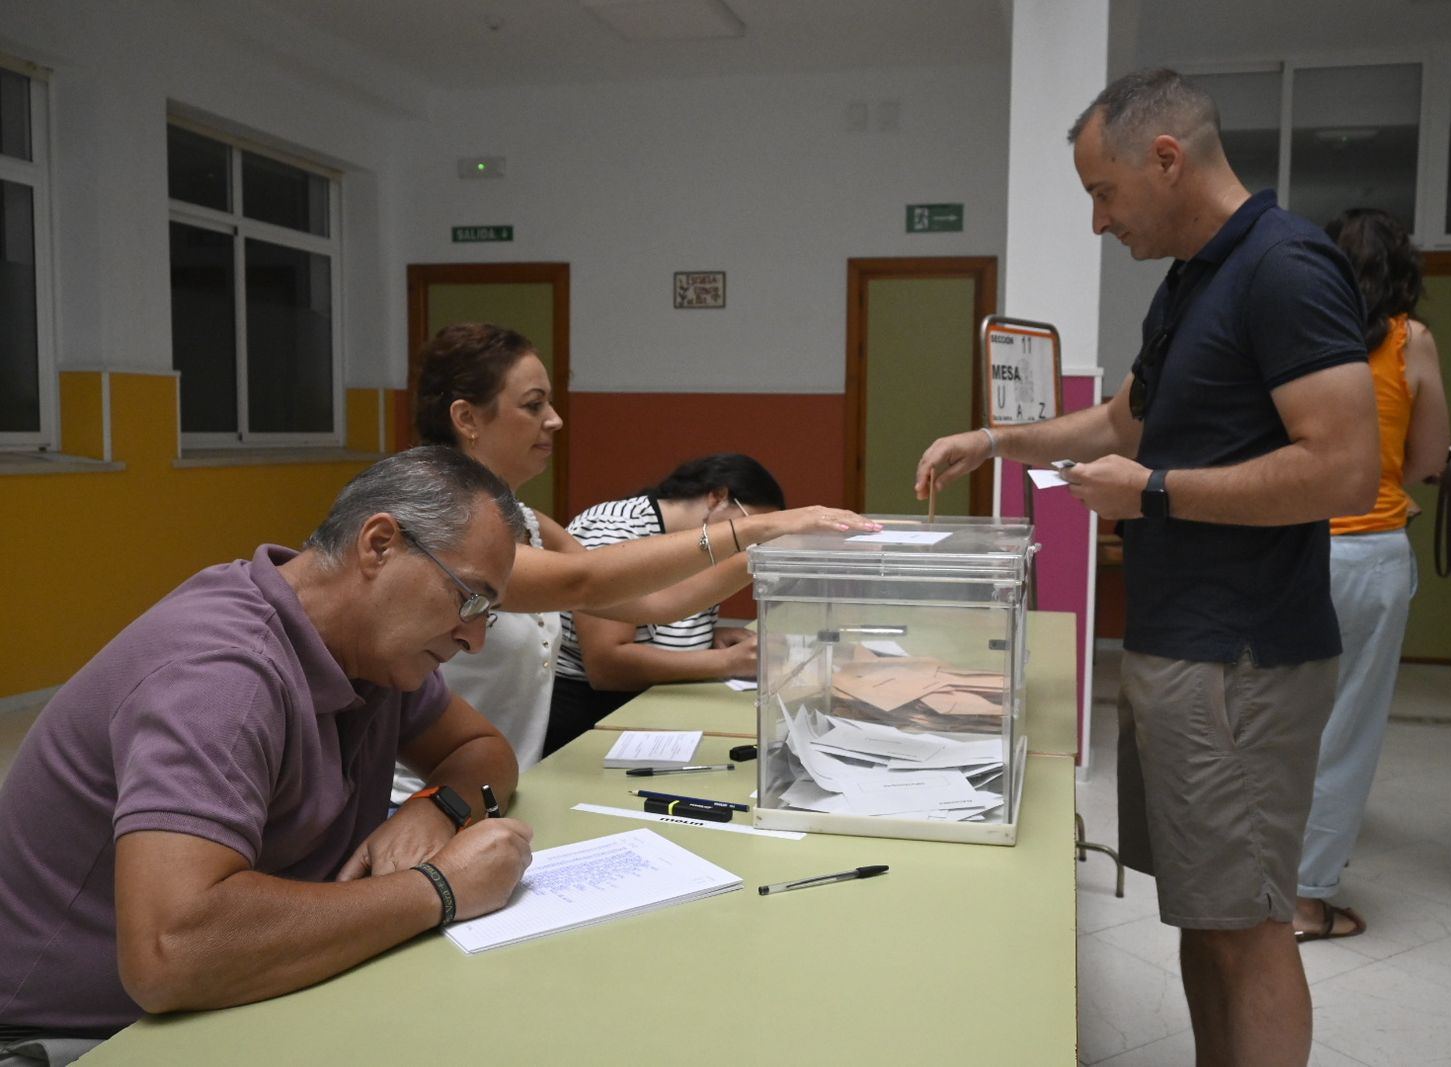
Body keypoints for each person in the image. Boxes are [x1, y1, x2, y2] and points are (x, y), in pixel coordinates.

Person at [915, 68, 1377, 1066]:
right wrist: (998, 439)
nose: (1096, 220)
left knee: (1249, 921)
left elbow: (1342, 468)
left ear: (1166, 158)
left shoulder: (1285, 266)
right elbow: (1124, 418)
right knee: (1202, 912)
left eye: (1102, 191)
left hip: (1241, 655)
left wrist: (1154, 491)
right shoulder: (1192, 279)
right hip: (1181, 643)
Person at [0, 447, 537, 1062]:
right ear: (380, 545)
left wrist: (433, 806)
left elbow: (480, 749)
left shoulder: (369, 649)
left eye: (488, 615)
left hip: (250, 984)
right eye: (469, 599)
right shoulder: (222, 677)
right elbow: (169, 953)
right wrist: (440, 888)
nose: (473, 638)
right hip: (85, 1035)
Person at [396, 322, 874, 800]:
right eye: (533, 404)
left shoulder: (526, 520)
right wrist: (756, 529)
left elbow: (648, 600)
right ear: (467, 419)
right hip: (420, 802)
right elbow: (585, 581)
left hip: (500, 789)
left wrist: (762, 551)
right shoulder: (441, 520)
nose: (556, 420)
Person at [1293, 208, 1451, 941]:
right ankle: (1307, 895)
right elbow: (1428, 461)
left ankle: (1257, 884)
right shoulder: (1411, 341)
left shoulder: (1302, 335)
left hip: (1294, 545)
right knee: (1346, 727)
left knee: (1281, 720)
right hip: (1371, 552)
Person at [546, 453, 785, 757]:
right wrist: (730, 662)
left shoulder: (700, 540)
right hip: (592, 713)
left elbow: (656, 613)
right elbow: (608, 666)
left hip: (661, 698)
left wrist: (705, 637)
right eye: (752, 529)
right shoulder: (616, 530)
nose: (750, 545)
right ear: (718, 497)